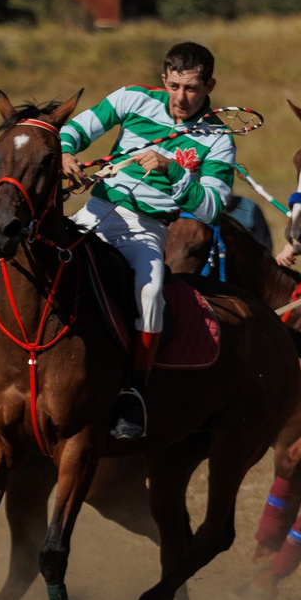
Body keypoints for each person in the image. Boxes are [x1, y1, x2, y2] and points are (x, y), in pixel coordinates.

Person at [50, 42, 237, 442]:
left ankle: (134, 390)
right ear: (163, 79)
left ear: (210, 85)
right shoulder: (132, 97)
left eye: (191, 89)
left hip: (147, 230)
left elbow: (212, 208)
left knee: (151, 294)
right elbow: (73, 129)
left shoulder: (219, 138)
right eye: (173, 86)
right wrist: (65, 153)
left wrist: (174, 172)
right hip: (94, 214)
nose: (180, 99)